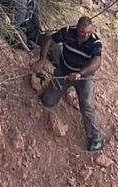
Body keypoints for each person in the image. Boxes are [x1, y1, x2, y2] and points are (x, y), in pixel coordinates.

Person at [35, 16, 104, 151]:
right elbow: (50, 39)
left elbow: (97, 63)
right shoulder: (67, 31)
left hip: (84, 77)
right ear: (77, 28)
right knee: (48, 101)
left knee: (87, 105)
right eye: (82, 32)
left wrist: (80, 74)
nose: (85, 35)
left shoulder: (95, 42)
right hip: (64, 71)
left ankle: (96, 138)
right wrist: (42, 59)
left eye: (88, 33)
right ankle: (58, 90)